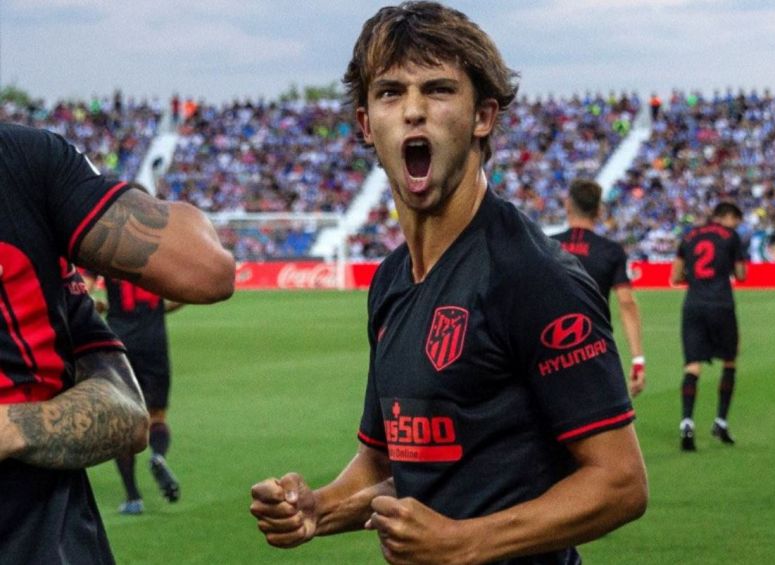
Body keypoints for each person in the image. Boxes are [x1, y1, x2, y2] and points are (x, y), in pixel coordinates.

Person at [250, 3, 648, 564]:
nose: (413, 110)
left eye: (438, 90)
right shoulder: (391, 280)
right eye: (390, 92)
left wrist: (467, 542)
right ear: (365, 123)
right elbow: (385, 461)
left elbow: (621, 483)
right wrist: (317, 508)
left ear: (482, 116)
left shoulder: (533, 275)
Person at [0, 121, 235, 564]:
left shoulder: (24, 168)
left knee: (145, 414)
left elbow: (126, 414)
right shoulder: (28, 164)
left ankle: (131, 494)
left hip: (45, 538)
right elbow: (209, 269)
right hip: (148, 340)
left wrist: (10, 429)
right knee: (157, 412)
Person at [82, 270, 184, 515]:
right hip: (154, 341)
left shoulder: (105, 252)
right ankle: (158, 456)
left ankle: (133, 497)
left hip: (120, 342)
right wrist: (158, 310)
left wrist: (100, 305)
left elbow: (83, 292)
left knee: (123, 420)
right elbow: (184, 293)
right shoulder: (156, 254)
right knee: (157, 415)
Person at [552, 179, 646, 397]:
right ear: (599, 210)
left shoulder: (544, 245)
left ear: (568, 205)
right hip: (594, 348)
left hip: (550, 349)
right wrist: (638, 360)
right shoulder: (611, 251)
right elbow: (626, 302)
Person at [670, 202, 747, 452]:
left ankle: (686, 422)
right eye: (736, 220)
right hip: (721, 305)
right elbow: (741, 273)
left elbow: (675, 276)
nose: (737, 225)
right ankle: (721, 421)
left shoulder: (690, 236)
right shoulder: (731, 237)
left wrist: (693, 278)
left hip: (693, 305)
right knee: (730, 360)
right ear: (726, 216)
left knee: (692, 365)